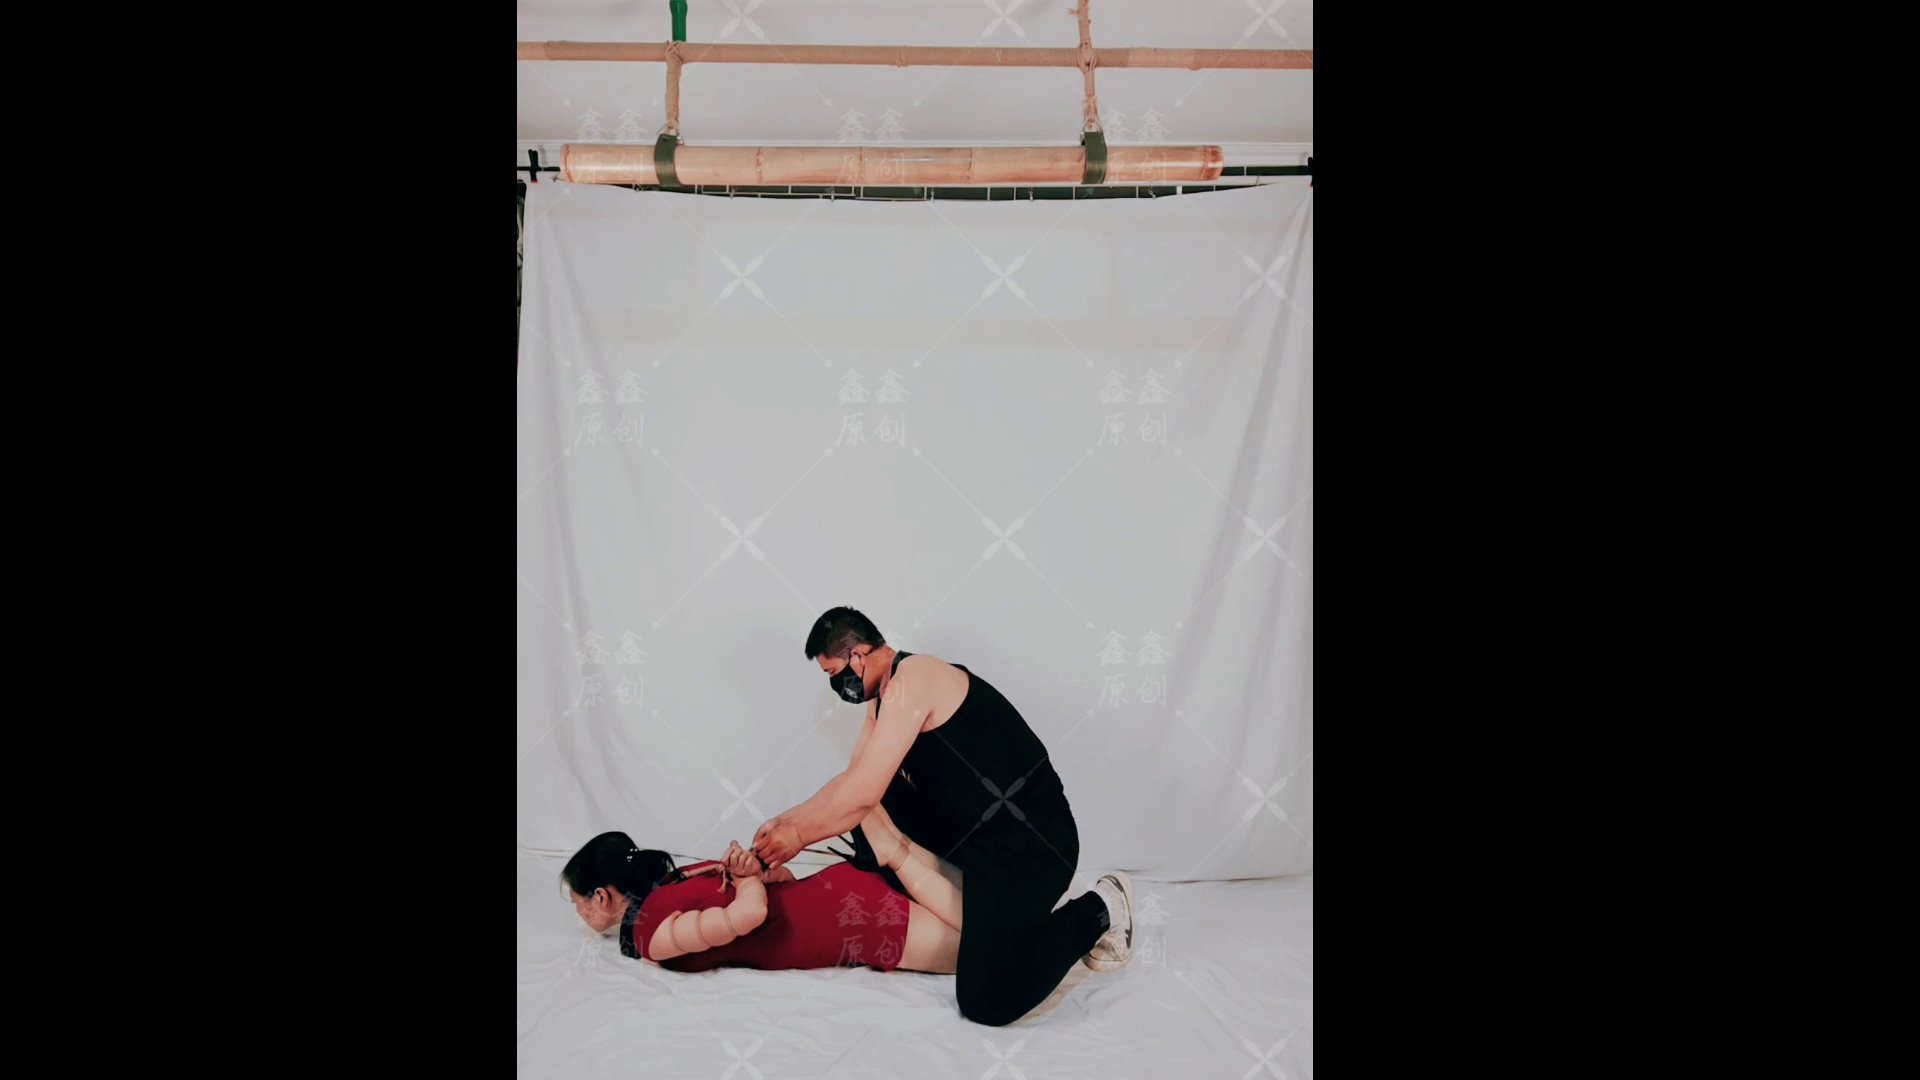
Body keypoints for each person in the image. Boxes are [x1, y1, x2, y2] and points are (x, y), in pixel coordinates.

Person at [753, 606, 1134, 1027]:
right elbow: (853, 781)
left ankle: (1100, 907)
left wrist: (798, 838)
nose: (836, 687)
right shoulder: (882, 703)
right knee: (869, 795)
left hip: (1032, 847)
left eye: (833, 673)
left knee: (986, 1000)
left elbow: (860, 795)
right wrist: (784, 823)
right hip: (978, 836)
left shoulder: (915, 679)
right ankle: (970, 907)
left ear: (857, 656)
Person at [563, 803, 966, 974]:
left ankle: (894, 851)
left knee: (982, 953)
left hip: (854, 925)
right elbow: (779, 885)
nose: (578, 912)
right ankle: (895, 851)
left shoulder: (649, 933)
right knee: (982, 915)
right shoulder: (682, 876)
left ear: (601, 897)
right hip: (840, 890)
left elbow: (751, 913)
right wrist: (753, 874)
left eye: (577, 902)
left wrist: (749, 876)